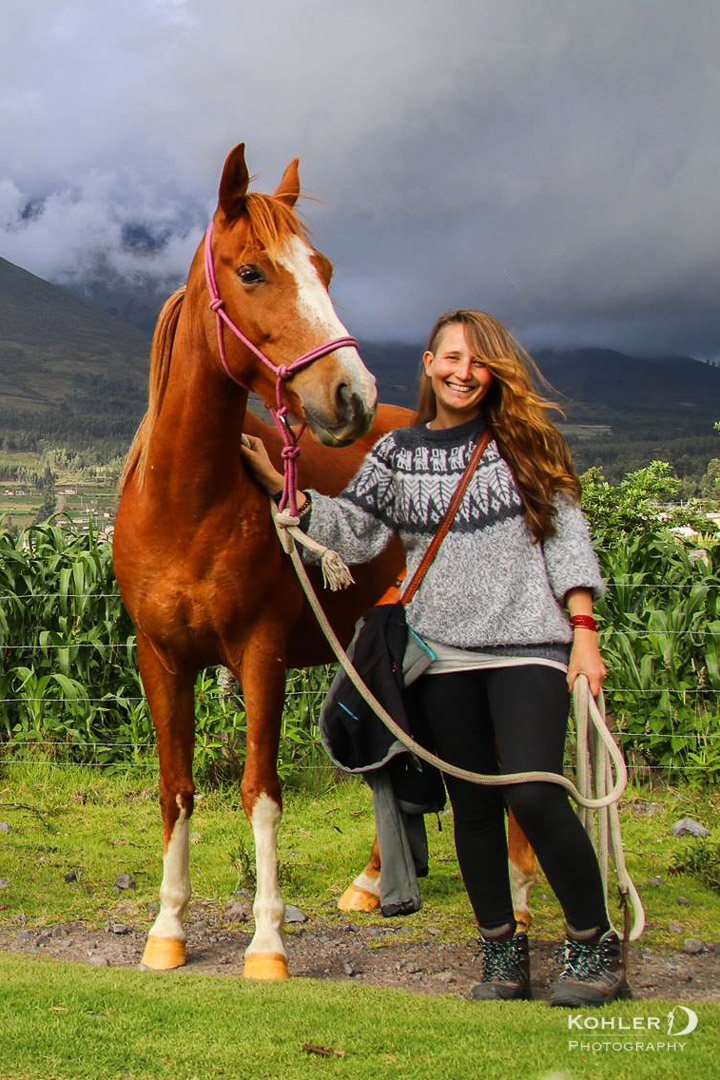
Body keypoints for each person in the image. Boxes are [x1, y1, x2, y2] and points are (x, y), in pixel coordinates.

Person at [241, 309, 631, 1007]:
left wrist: (584, 630)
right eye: (451, 359)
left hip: (528, 649)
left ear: (495, 372)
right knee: (474, 807)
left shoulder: (529, 445)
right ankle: (501, 953)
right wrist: (284, 489)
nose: (463, 372)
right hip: (442, 655)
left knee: (537, 795)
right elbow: (355, 534)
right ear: (428, 364)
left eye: (478, 362)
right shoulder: (398, 455)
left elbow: (567, 540)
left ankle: (593, 944)